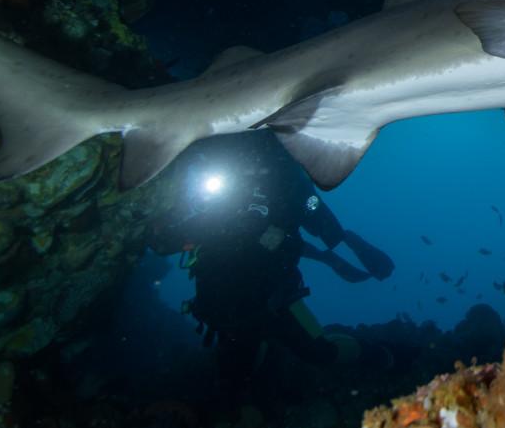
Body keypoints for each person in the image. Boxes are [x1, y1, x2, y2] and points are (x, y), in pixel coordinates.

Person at [149, 134, 394, 397]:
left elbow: (325, 227)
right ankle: (266, 366)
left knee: (320, 353)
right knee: (232, 381)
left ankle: (376, 354)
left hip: (274, 299)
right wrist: (160, 225)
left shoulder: (287, 180)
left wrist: (327, 240)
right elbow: (169, 239)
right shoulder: (214, 185)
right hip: (224, 305)